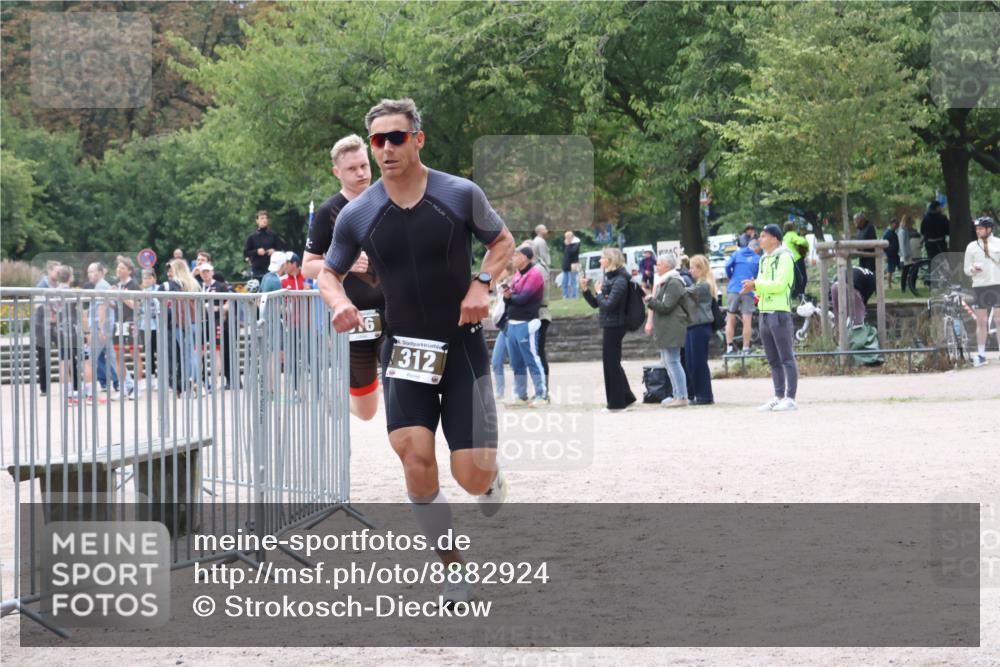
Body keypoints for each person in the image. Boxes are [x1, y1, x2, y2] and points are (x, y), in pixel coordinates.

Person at [318, 98, 516, 606]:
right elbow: (328, 273)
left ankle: (490, 476)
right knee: (414, 456)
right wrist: (339, 303)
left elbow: (503, 243)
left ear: (418, 139)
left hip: (461, 343)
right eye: (377, 141)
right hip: (404, 349)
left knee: (470, 477)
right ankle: (454, 569)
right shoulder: (359, 213)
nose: (385, 149)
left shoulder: (458, 193)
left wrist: (482, 284)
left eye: (396, 138)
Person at [302, 133, 383, 420]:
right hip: (355, 317)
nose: (361, 173)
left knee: (407, 389)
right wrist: (343, 264)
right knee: (366, 411)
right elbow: (308, 266)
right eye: (352, 169)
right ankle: (338, 396)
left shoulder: (391, 198)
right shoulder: (328, 212)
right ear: (337, 172)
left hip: (396, 313)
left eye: (364, 165)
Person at [740, 224, 798, 412]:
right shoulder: (764, 258)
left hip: (779, 311)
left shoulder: (785, 257)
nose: (760, 239)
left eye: (764, 236)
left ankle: (790, 398)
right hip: (764, 311)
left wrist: (756, 284)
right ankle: (778, 395)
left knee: (786, 357)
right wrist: (754, 290)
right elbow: (763, 284)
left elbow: (780, 285)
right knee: (773, 358)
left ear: (774, 238)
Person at [581, 247, 636, 412]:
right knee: (612, 363)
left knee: (611, 364)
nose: (599, 261)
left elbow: (609, 305)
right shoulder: (610, 278)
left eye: (602, 258)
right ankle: (626, 397)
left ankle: (617, 404)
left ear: (610, 260)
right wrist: (586, 290)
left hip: (616, 325)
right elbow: (597, 304)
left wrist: (598, 292)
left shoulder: (620, 279)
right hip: (609, 324)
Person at [644, 252, 690, 408]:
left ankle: (682, 396)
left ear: (667, 266)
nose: (656, 266)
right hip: (666, 327)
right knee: (668, 363)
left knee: (674, 362)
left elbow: (666, 306)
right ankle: (676, 394)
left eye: (659, 264)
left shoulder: (674, 282)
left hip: (673, 326)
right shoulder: (666, 281)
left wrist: (650, 300)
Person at [502, 246, 547, 407]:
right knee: (516, 362)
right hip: (513, 322)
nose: (513, 258)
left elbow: (524, 298)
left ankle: (542, 395)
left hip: (527, 322)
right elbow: (512, 299)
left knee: (532, 359)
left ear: (526, 258)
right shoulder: (516, 275)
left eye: (516, 255)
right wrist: (508, 297)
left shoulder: (534, 274)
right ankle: (521, 395)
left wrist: (510, 296)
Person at [963, 216, 1000, 367]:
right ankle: (981, 354)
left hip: (998, 284)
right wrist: (973, 269)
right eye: (976, 229)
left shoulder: (998, 243)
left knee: (999, 320)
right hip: (980, 286)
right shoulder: (971, 247)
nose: (978, 231)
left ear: (989, 229)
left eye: (980, 228)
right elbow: (966, 269)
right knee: (981, 321)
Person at [166, 259, 203, 395]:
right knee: (191, 353)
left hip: (181, 322)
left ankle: (192, 381)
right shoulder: (193, 282)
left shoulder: (176, 284)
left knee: (187, 354)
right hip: (194, 321)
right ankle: (197, 381)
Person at [684, 255, 716, 406]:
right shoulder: (700, 284)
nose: (690, 270)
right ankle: (697, 393)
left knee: (698, 363)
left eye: (692, 267)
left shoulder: (703, 286)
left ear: (700, 269)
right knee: (691, 362)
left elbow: (685, 293)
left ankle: (705, 395)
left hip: (700, 326)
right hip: (693, 326)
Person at [85, 262, 120, 401]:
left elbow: (102, 308)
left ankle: (90, 392)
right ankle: (128, 385)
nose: (89, 275)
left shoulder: (101, 286)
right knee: (112, 359)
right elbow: (110, 305)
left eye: (91, 271)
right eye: (88, 272)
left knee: (89, 359)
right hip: (104, 328)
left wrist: (100, 329)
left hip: (101, 328)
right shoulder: (103, 286)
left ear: (99, 272)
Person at [111, 258, 141, 399]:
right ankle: (122, 387)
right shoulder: (115, 284)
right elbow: (116, 305)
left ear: (129, 270)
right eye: (118, 268)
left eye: (122, 268)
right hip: (118, 322)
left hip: (131, 321)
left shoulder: (134, 285)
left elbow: (137, 306)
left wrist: (121, 297)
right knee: (118, 355)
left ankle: (137, 388)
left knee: (134, 354)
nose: (119, 270)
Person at [724, 239, 761, 355]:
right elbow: (759, 276)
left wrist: (732, 277)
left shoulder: (737, 253)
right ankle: (746, 349)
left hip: (733, 288)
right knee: (747, 320)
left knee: (730, 318)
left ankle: (729, 348)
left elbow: (727, 266)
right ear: (756, 248)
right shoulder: (758, 258)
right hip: (748, 290)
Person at [530, 224, 551, 397]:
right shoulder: (534, 269)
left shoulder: (538, 269)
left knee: (538, 353)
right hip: (534, 314)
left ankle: (543, 391)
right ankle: (540, 389)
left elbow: (536, 294)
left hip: (539, 314)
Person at [244, 210, 282, 280]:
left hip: (271, 269)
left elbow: (280, 250)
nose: (264, 220)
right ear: (257, 221)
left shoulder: (273, 235)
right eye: (262, 218)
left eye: (266, 218)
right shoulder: (252, 237)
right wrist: (256, 251)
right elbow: (246, 253)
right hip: (257, 271)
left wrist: (274, 251)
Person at [783, 222, 810, 301]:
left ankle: (793, 296)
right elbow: (803, 242)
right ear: (793, 227)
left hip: (788, 259)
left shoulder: (784, 237)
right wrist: (806, 244)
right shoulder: (792, 235)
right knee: (803, 278)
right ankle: (801, 295)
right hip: (797, 259)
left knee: (794, 278)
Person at [898, 214, 922, 296]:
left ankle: (911, 287)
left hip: (908, 254)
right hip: (906, 255)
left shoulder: (905, 230)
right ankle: (903, 289)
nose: (912, 224)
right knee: (905, 272)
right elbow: (902, 244)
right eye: (911, 222)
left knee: (911, 271)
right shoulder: (902, 231)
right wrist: (905, 255)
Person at [921, 199, 950, 265]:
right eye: (940, 207)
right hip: (940, 243)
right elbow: (948, 231)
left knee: (931, 261)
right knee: (944, 262)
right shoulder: (943, 218)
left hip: (929, 243)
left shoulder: (925, 218)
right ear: (937, 208)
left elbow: (922, 231)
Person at [561, 231, 581, 299]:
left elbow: (572, 252)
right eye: (566, 237)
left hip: (575, 264)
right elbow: (565, 254)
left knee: (574, 281)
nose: (566, 239)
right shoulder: (567, 244)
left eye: (568, 237)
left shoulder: (577, 243)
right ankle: (565, 295)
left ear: (572, 237)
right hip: (566, 264)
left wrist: (568, 245)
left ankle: (575, 296)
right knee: (564, 282)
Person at [883, 218, 901, 290]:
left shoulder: (894, 233)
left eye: (898, 224)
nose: (897, 225)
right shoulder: (888, 233)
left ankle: (905, 283)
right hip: (890, 255)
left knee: (902, 268)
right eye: (896, 224)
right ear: (892, 224)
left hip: (896, 254)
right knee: (890, 270)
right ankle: (889, 285)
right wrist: (886, 254)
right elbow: (884, 245)